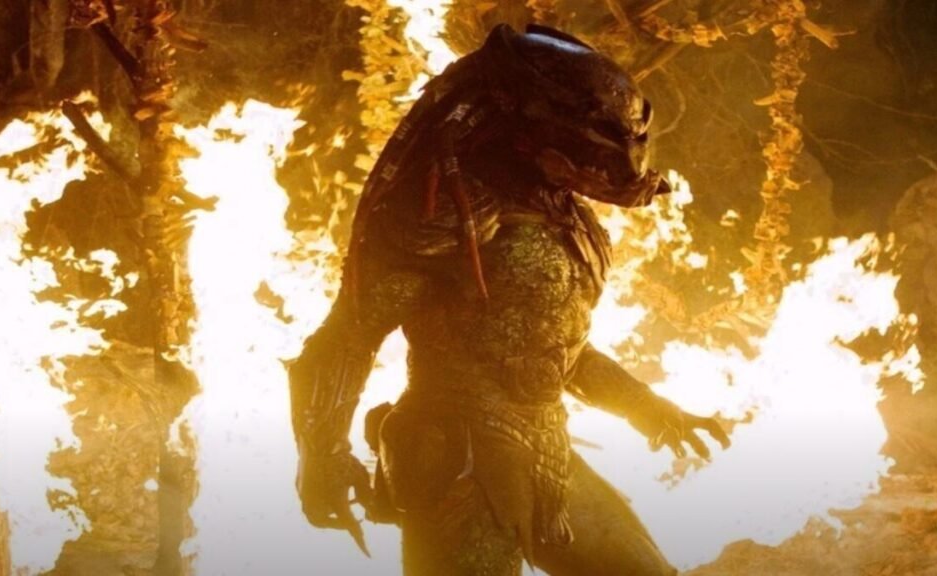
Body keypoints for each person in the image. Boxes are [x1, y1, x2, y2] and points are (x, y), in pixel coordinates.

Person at [289, 23, 730, 576]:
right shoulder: (448, 213)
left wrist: (650, 408)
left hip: (545, 452)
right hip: (455, 459)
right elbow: (348, 339)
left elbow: (559, 352)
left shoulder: (568, 220)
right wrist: (323, 455)